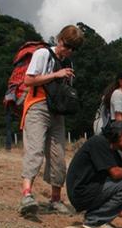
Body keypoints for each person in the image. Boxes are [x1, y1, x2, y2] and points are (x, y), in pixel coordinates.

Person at [19, 24, 84, 216]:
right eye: (66, 45)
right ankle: (26, 195)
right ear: (59, 39)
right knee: (35, 150)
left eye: (73, 48)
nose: (68, 50)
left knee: (58, 156)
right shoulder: (42, 54)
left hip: (57, 111)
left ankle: (55, 199)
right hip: (37, 105)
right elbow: (28, 80)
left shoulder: (68, 63)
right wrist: (56, 74)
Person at [66, 121, 122, 228]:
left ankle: (97, 218)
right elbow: (116, 174)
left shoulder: (114, 152)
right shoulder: (99, 143)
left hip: (91, 189)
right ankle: (94, 220)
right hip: (80, 193)